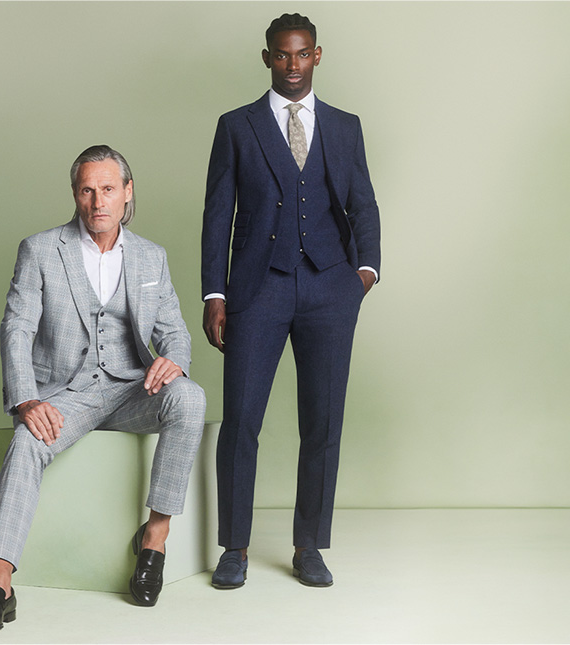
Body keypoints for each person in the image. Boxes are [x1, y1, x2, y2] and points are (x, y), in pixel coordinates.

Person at [0, 145, 206, 632]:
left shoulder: (150, 258)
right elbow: (17, 327)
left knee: (191, 398)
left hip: (131, 390)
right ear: (76, 196)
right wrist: (27, 398)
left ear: (127, 192)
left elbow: (175, 331)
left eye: (109, 189)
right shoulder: (39, 250)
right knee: (27, 442)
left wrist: (174, 360)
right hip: (65, 394)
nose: (99, 201)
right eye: (88, 190)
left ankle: (154, 540)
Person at [201, 13, 381, 589]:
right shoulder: (237, 126)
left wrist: (364, 273)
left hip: (331, 289)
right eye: (282, 56)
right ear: (267, 59)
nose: (293, 66)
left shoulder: (345, 126)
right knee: (241, 424)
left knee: (323, 423)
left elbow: (364, 205)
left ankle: (309, 546)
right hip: (259, 289)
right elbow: (217, 216)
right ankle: (235, 547)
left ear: (318, 56)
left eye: (302, 55)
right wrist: (215, 291)